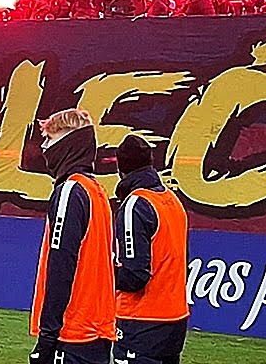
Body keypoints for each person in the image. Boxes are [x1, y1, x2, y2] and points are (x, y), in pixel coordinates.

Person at [30, 108, 117, 364]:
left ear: (69, 143)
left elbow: (62, 265)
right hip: (96, 328)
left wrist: (47, 336)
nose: (44, 148)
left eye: (49, 139)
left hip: (73, 330)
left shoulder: (71, 191)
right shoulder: (96, 190)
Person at [112, 135, 187, 364]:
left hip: (142, 320)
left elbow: (134, 277)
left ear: (120, 168)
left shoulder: (136, 205)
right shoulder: (172, 200)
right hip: (174, 317)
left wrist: (102, 272)